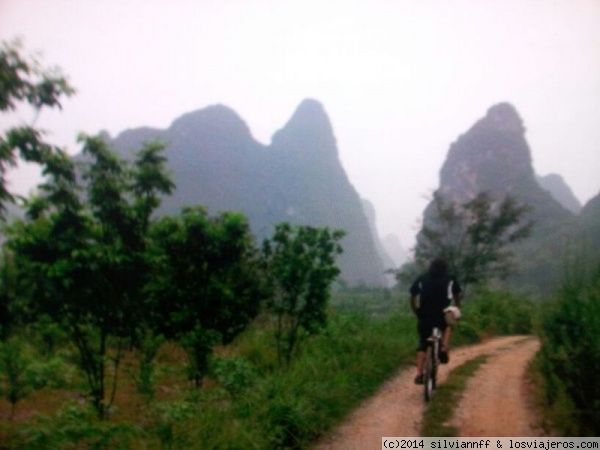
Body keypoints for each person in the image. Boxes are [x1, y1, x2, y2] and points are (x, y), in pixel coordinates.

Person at [409, 258, 462, 385]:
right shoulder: (450, 278)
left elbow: (412, 295)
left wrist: (416, 310)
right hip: (442, 314)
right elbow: (457, 295)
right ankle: (443, 347)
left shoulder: (422, 278)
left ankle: (420, 374)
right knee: (448, 325)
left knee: (422, 344)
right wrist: (456, 308)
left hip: (424, 315)